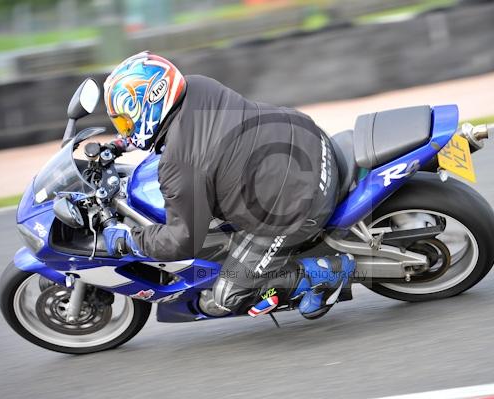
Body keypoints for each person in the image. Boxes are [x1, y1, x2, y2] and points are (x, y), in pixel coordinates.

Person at [102, 51, 354, 320]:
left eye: (125, 121)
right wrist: (123, 143)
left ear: (148, 103)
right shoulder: (198, 87)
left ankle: (326, 271)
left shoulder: (179, 164)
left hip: (300, 202)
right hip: (308, 139)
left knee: (230, 295)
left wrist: (131, 240)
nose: (124, 128)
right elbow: (180, 135)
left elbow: (182, 241)